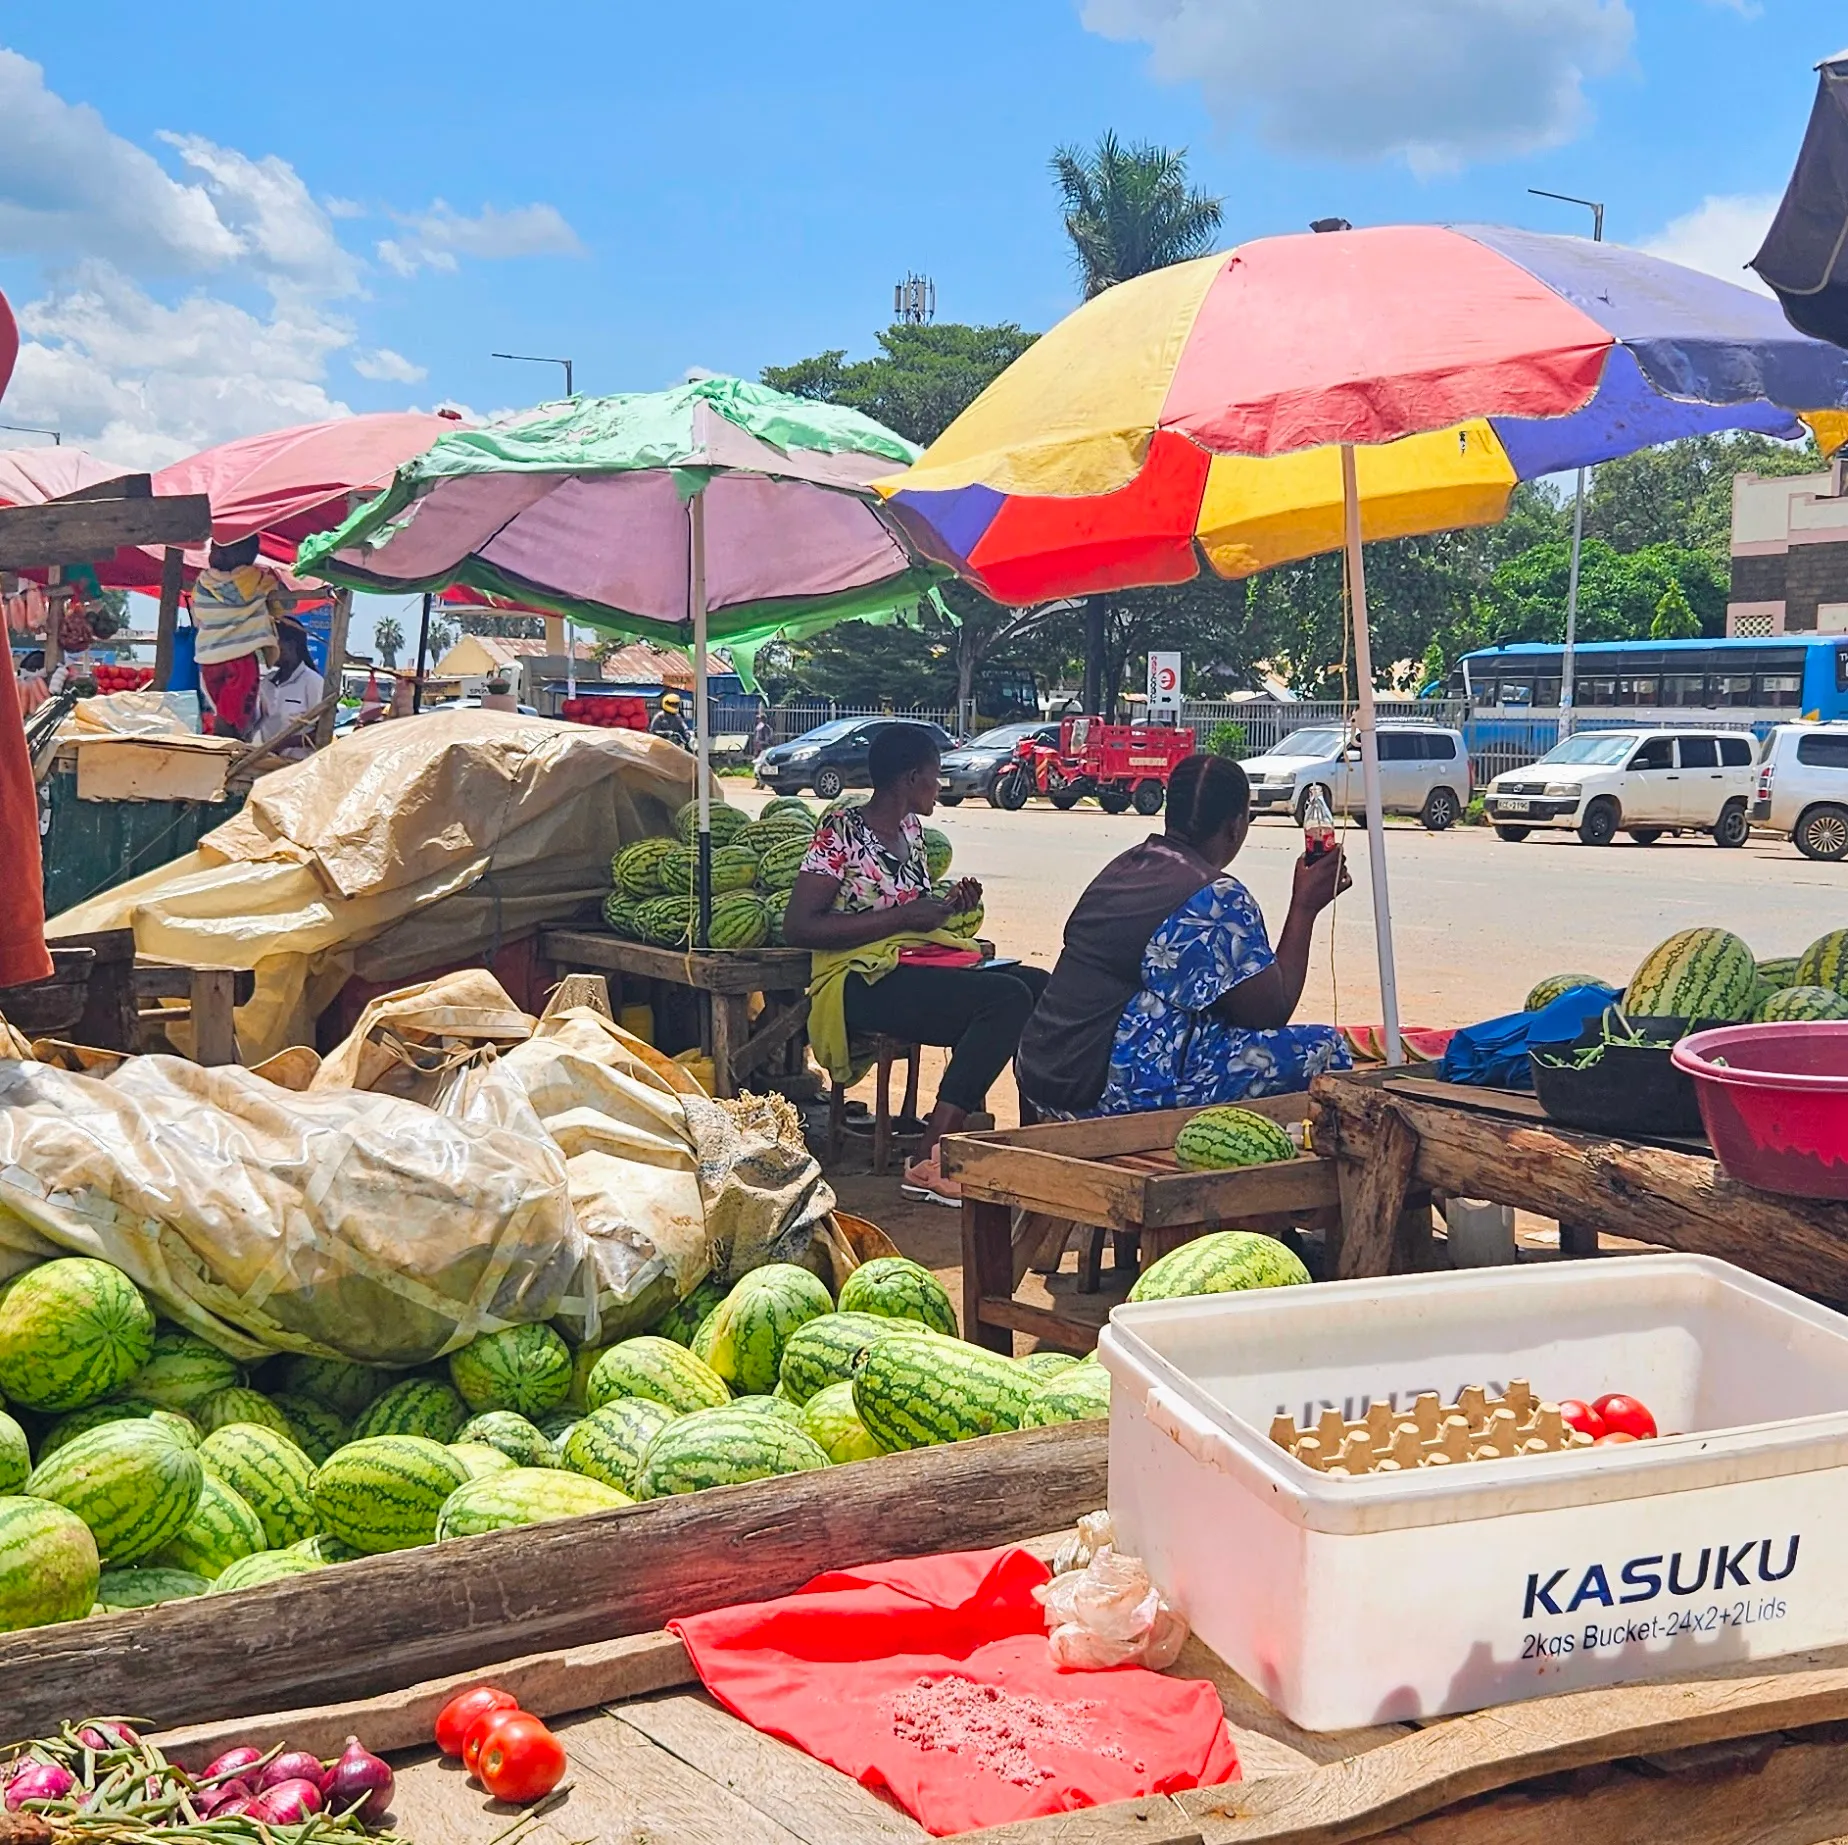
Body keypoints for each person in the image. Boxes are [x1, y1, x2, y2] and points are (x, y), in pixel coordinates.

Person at [783, 724, 1048, 1206]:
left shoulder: (911, 831)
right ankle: (930, 1159)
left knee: (1038, 985)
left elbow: (912, 913)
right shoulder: (839, 832)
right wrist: (903, 917)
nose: (940, 785)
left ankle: (1036, 1140)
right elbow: (799, 927)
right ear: (909, 779)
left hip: (910, 963)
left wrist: (947, 907)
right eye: (934, 775)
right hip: (858, 980)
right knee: (1005, 1000)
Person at [1017, 753, 1352, 1118]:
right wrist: (1304, 907)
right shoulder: (1215, 898)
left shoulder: (1127, 865)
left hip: (1044, 1079)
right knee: (1326, 1048)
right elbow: (1271, 1012)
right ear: (1235, 826)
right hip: (1109, 1095)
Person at [191, 535, 287, 740]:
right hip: (240, 656)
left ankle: (225, 743)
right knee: (233, 715)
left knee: (223, 710)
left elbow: (199, 611)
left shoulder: (203, 582)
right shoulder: (257, 579)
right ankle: (227, 748)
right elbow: (281, 608)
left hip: (208, 657)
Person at [250, 620, 326, 760]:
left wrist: (283, 743)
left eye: (273, 644)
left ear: (291, 645)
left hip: (298, 763)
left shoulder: (313, 682)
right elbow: (256, 723)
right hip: (265, 758)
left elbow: (323, 731)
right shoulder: (267, 683)